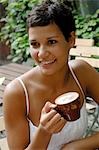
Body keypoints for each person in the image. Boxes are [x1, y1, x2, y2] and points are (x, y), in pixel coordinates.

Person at [3, 0, 99, 149]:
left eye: (52, 42)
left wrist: (75, 147)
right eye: (34, 44)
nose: (41, 54)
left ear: (71, 39)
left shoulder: (81, 73)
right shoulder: (17, 93)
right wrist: (44, 132)